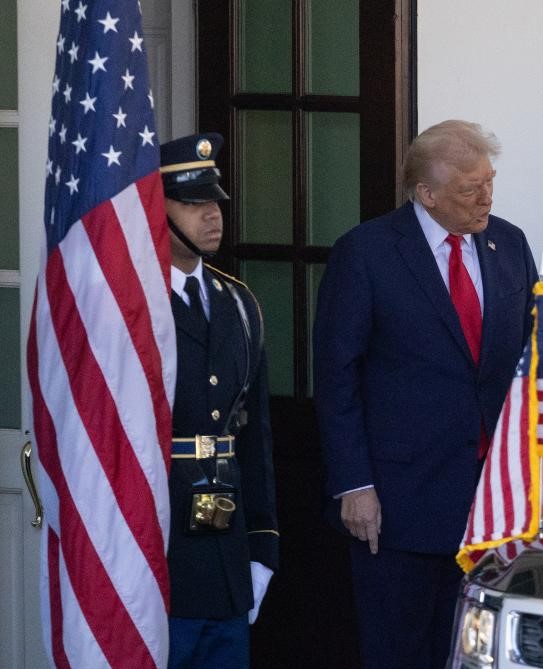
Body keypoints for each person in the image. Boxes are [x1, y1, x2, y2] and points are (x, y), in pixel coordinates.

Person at [313, 119, 537, 669]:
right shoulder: (366, 253)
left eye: (489, 182)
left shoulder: (508, 243)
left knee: (479, 652)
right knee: (402, 651)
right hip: (399, 503)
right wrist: (354, 484)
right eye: (469, 189)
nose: (485, 197)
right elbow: (337, 376)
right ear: (426, 193)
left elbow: (529, 358)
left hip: (493, 504)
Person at [160, 133, 279, 668]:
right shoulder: (132, 305)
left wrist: (263, 545)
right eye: (192, 202)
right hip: (156, 552)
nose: (212, 215)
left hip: (226, 551)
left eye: (215, 201)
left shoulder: (239, 304)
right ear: (154, 208)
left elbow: (255, 438)